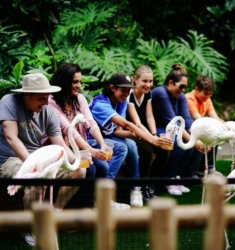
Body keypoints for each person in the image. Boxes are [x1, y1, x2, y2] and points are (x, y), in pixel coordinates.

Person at [0, 73, 86, 246]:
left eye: (47, 98)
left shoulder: (48, 111)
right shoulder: (9, 102)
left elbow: (60, 143)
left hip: (38, 157)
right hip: (10, 158)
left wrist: (77, 161)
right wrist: (35, 165)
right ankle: (31, 226)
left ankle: (54, 214)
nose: (46, 102)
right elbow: (11, 138)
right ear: (26, 95)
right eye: (41, 98)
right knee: (37, 178)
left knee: (79, 171)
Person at [48, 62, 130, 210]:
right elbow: (68, 130)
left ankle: (93, 204)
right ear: (64, 81)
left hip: (79, 148)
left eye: (80, 81)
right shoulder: (51, 102)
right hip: (61, 148)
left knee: (103, 167)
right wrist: (90, 150)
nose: (79, 85)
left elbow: (90, 123)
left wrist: (102, 144)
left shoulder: (79, 99)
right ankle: (77, 209)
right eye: (75, 82)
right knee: (90, 169)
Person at [89, 72, 170, 206]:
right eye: (123, 90)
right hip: (91, 139)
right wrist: (152, 139)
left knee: (132, 144)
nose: (126, 94)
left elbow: (117, 131)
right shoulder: (100, 104)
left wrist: (134, 135)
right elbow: (127, 124)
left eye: (128, 91)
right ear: (112, 88)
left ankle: (135, 188)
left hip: (108, 137)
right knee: (122, 147)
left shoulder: (121, 101)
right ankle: (104, 194)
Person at [152, 64, 206, 195]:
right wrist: (193, 141)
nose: (183, 90)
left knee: (188, 145)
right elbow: (172, 121)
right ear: (171, 83)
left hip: (172, 127)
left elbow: (186, 120)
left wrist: (196, 136)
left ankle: (177, 176)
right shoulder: (160, 93)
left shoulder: (180, 96)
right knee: (178, 142)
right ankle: (168, 179)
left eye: (185, 87)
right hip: (158, 127)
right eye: (181, 86)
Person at [127, 65, 170, 200]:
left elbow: (150, 116)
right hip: (132, 133)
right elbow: (137, 123)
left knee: (165, 149)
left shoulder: (148, 94)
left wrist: (155, 135)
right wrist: (152, 139)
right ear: (135, 80)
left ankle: (151, 185)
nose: (148, 85)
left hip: (145, 132)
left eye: (150, 81)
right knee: (147, 151)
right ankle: (141, 187)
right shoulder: (129, 94)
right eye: (145, 81)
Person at [184, 75, 225, 178]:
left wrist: (227, 126)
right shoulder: (189, 99)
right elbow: (199, 120)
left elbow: (215, 117)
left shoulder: (207, 99)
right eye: (205, 94)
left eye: (210, 94)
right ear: (197, 89)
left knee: (215, 135)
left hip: (200, 127)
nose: (207, 96)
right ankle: (192, 173)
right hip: (189, 129)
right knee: (202, 139)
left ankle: (209, 167)